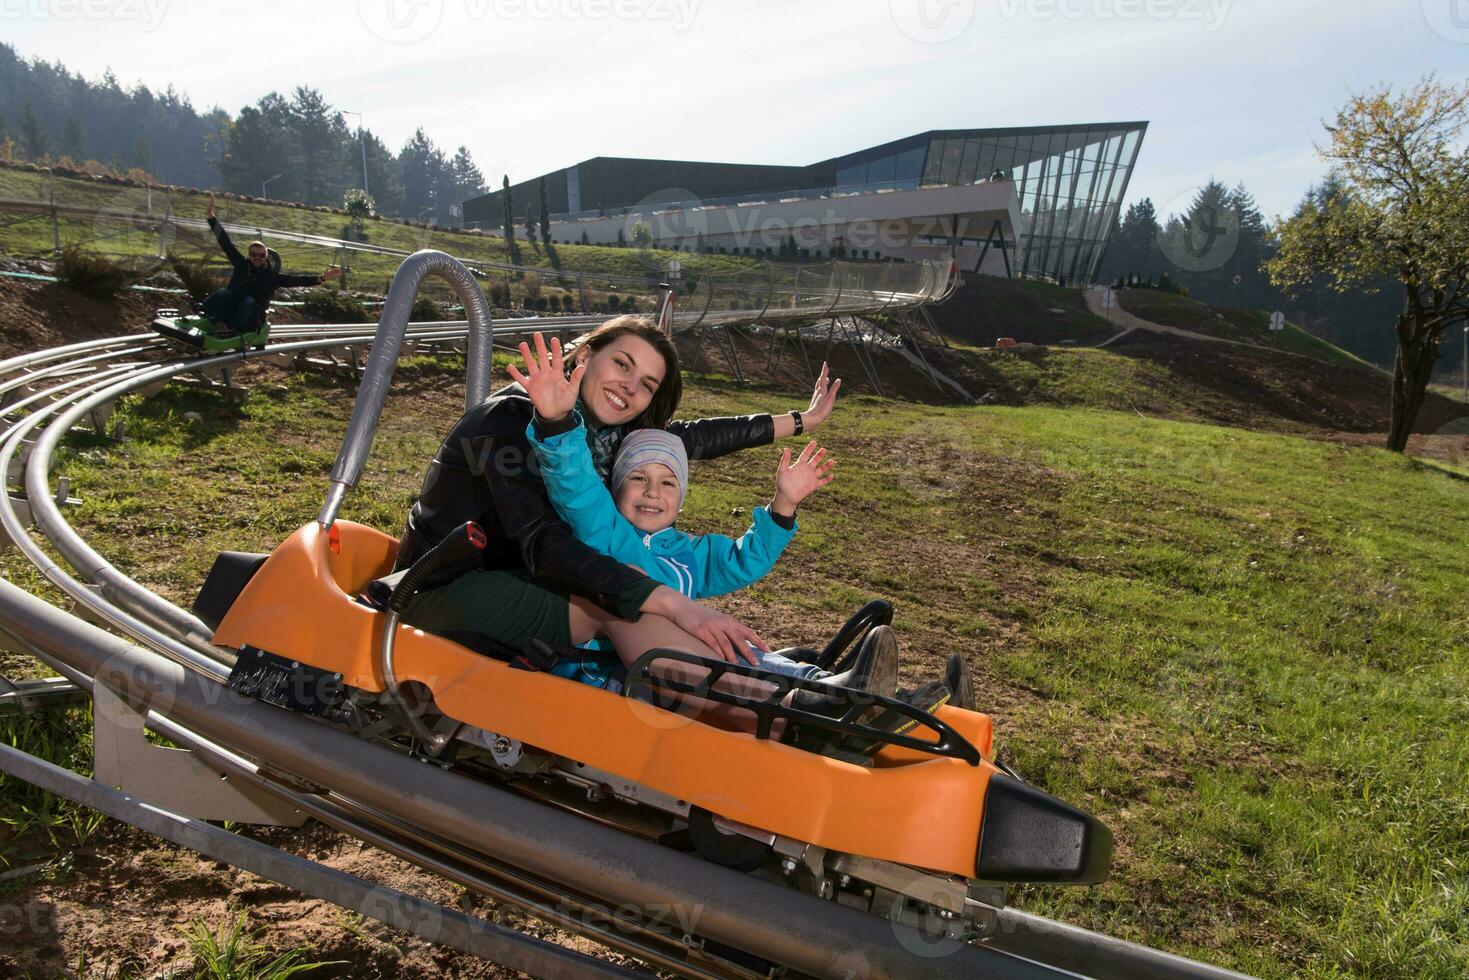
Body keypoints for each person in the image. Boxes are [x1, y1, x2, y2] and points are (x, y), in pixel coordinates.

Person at [518, 340, 854, 689]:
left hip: (678, 672)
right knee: (729, 655)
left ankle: (833, 688)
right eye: (637, 478)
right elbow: (575, 484)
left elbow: (745, 560)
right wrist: (556, 421)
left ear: (681, 501)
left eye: (667, 483)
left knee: (731, 651)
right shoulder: (603, 528)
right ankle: (818, 687)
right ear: (614, 489)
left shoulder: (692, 554)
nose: (652, 491)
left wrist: (784, 503)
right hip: (616, 674)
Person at [200, 193, 340, 334]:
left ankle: (230, 330)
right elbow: (225, 243)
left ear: (265, 257)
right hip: (231, 310)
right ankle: (200, 312)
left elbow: (296, 280)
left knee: (249, 301)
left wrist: (322, 278)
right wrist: (211, 218)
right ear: (249, 255)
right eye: (254, 255)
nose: (257, 258)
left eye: (261, 255)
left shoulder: (271, 277)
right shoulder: (241, 265)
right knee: (224, 293)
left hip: (251, 317)